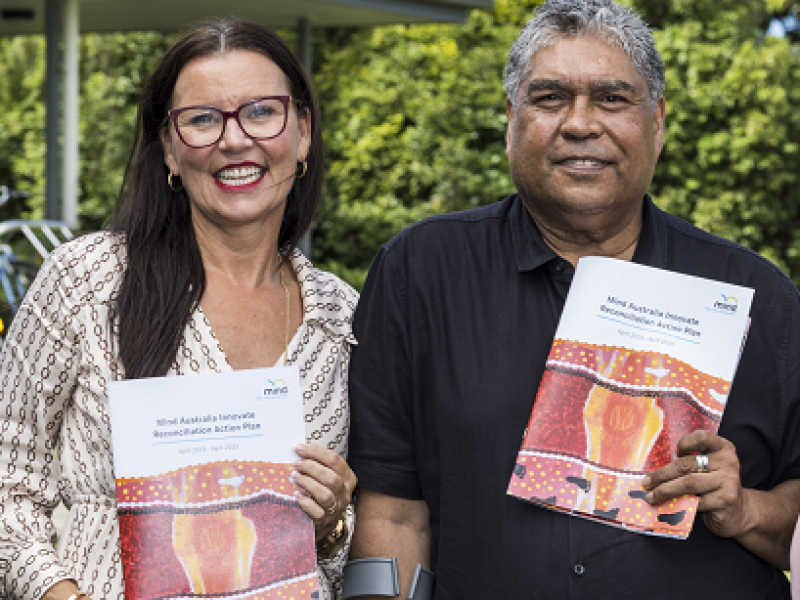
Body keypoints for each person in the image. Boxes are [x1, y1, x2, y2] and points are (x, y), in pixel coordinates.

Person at [347, 0, 800, 598]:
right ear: (511, 119)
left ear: (657, 122)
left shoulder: (757, 295)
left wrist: (741, 508)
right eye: (550, 98)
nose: (581, 123)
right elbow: (394, 512)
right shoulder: (420, 272)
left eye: (612, 99)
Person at [0, 19, 357, 600]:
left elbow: (343, 550)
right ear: (167, 146)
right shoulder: (87, 281)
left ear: (304, 133)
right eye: (202, 119)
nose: (235, 140)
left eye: (262, 112)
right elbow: (5, 484)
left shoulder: (342, 318)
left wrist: (332, 520)